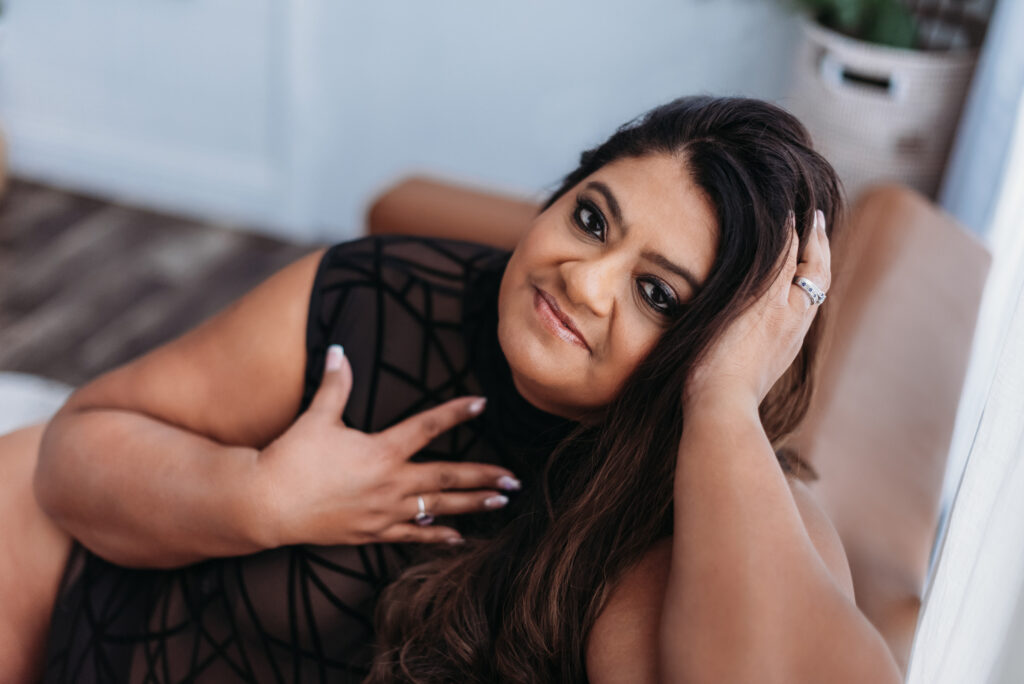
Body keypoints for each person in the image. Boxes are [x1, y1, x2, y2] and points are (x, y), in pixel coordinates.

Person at [0, 95, 901, 682]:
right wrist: (255, 496)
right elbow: (70, 455)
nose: (583, 281)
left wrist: (719, 406)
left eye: (657, 295)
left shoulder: (704, 523)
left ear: (721, 353)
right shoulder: (385, 298)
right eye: (591, 218)